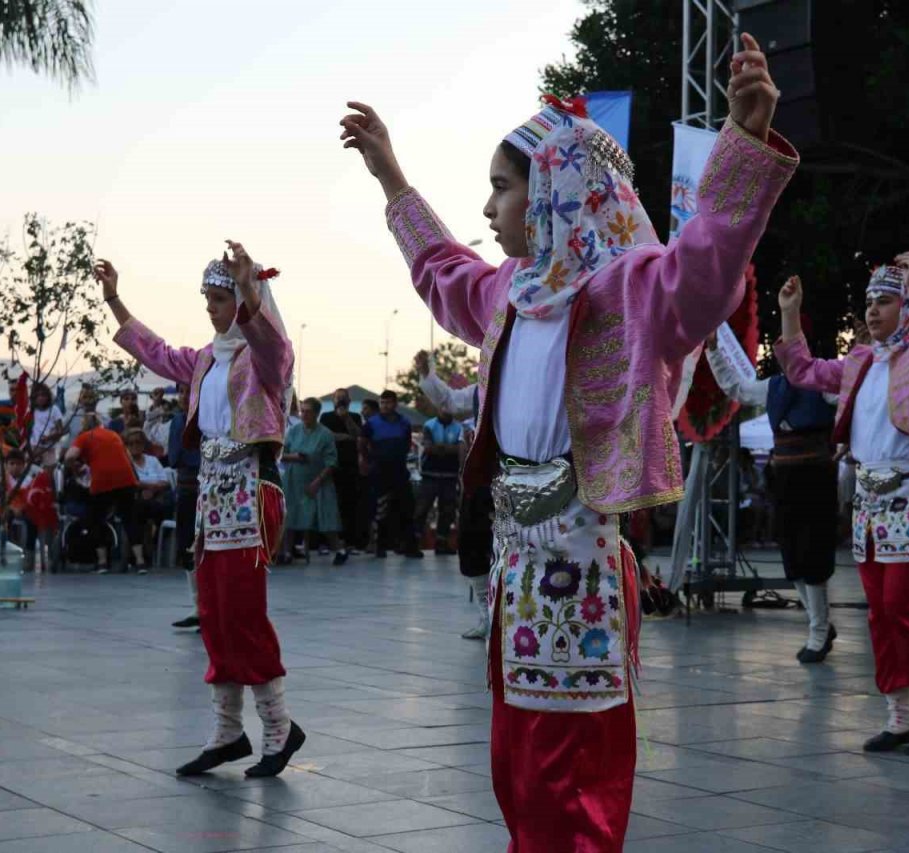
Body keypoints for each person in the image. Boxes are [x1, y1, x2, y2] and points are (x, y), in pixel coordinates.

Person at [341, 31, 796, 849]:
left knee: (571, 782)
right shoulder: (509, 291)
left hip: (579, 563)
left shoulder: (630, 293)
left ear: (553, 189)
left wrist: (743, 142)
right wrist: (391, 178)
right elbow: (441, 270)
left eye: (500, 189)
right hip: (518, 564)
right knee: (518, 771)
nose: (488, 210)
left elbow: (706, 266)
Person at [98, 241, 306, 779]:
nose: (211, 308)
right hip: (212, 497)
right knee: (213, 611)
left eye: (220, 298)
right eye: (208, 298)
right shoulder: (205, 359)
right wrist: (116, 300)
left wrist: (249, 293)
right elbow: (155, 351)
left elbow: (273, 347)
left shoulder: (264, 359)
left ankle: (279, 727)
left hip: (249, 491)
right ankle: (228, 730)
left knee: (243, 610)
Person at [776, 257, 909, 757]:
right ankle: (900, 715)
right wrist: (790, 314)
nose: (873, 310)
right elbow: (802, 370)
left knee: (906, 606)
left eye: (884, 300)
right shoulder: (860, 361)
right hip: (870, 500)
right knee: (880, 613)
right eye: (869, 302)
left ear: (906, 308)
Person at [706, 319, 840, 663]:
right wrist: (712, 351)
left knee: (814, 554)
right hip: (785, 477)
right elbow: (737, 388)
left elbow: (853, 406)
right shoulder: (774, 387)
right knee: (792, 555)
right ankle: (819, 623)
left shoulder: (825, 383)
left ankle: (818, 630)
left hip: (817, 476)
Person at [416, 351, 492, 639]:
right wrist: (428, 373)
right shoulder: (477, 392)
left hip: (521, 480)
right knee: (472, 545)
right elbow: (448, 400)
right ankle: (486, 616)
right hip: (480, 485)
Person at [64, 413, 142, 574]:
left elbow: (69, 456)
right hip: (126, 479)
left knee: (96, 519)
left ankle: (102, 563)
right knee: (130, 519)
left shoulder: (84, 436)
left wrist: (74, 469)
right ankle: (140, 563)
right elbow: (126, 457)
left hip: (103, 480)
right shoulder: (113, 434)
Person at [281, 398, 349, 565]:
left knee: (326, 516)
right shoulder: (294, 431)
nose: (304, 415)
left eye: (308, 411)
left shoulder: (325, 434)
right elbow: (282, 454)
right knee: (290, 515)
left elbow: (332, 462)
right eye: (302, 411)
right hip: (294, 479)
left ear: (316, 413)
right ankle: (287, 552)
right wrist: (295, 457)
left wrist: (318, 482)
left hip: (318, 480)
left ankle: (338, 550)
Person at [360, 390, 422, 559]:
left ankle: (409, 546)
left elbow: (408, 442)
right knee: (381, 509)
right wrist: (367, 460)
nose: (384, 406)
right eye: (382, 403)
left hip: (400, 470)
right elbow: (362, 443)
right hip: (380, 470)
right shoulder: (371, 423)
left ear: (395, 403)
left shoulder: (404, 422)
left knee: (406, 507)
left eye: (387, 403)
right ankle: (380, 547)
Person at [168, 383, 202, 626]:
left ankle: (209, 608)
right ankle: (198, 606)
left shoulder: (209, 418)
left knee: (207, 548)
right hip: (187, 487)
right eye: (181, 391)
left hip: (209, 490)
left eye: (188, 391)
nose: (183, 396)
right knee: (187, 545)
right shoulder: (178, 420)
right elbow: (175, 456)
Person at [415, 402, 464, 554]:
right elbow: (428, 448)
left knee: (448, 510)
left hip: (450, 475)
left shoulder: (459, 427)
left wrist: (441, 448)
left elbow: (461, 448)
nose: (446, 409)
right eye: (443, 406)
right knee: (422, 508)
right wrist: (451, 448)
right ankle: (414, 542)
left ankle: (441, 543)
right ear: (438, 408)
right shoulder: (429, 425)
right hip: (430, 474)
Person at [320, 389, 365, 552]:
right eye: (338, 398)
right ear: (333, 400)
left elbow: (357, 434)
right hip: (331, 466)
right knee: (330, 504)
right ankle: (327, 543)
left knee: (349, 505)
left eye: (344, 398)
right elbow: (326, 436)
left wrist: (346, 419)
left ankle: (349, 542)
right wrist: (344, 437)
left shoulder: (355, 417)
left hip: (350, 467)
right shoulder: (326, 417)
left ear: (349, 401)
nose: (341, 401)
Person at [127, 428, 172, 573]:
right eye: (131, 443)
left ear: (143, 444)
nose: (135, 446)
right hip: (136, 500)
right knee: (136, 511)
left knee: (163, 508)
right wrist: (145, 488)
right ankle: (140, 558)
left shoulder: (152, 460)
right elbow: (130, 483)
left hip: (155, 500)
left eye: (138, 442)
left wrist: (151, 490)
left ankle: (147, 550)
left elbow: (165, 482)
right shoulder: (126, 462)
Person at [28, 381, 67, 467]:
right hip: (34, 446)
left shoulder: (54, 410)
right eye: (38, 395)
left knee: (48, 474)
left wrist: (49, 438)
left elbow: (61, 431)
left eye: (43, 395)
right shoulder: (32, 410)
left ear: (48, 396)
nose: (40, 398)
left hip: (49, 447)